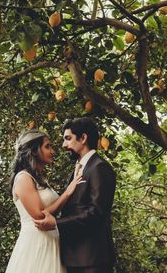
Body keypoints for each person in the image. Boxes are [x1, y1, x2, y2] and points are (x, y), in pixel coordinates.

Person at [34, 117, 117, 273]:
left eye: (68, 138)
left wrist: (57, 223)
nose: (64, 145)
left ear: (83, 138)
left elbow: (96, 213)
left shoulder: (100, 168)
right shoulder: (79, 168)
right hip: (74, 257)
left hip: (93, 259)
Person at [6, 129, 85, 273]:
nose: (53, 151)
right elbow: (40, 216)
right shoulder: (23, 178)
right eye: (47, 146)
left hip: (52, 241)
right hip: (36, 243)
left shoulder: (39, 179)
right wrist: (67, 193)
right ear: (35, 151)